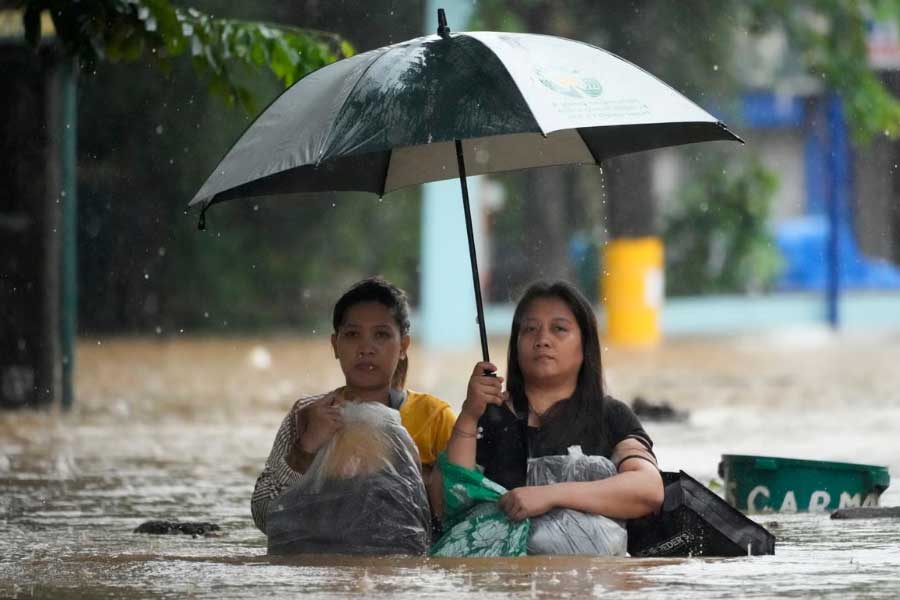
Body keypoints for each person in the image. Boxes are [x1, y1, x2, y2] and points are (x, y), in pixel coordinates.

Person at [444, 280, 663, 525]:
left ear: (585, 344)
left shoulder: (610, 415)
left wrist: (550, 495)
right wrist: (469, 414)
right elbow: (451, 502)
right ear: (515, 345)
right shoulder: (489, 416)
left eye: (559, 329)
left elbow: (649, 489)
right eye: (530, 329)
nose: (542, 340)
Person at [251, 277, 456, 534]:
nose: (366, 348)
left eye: (381, 335)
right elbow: (264, 517)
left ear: (403, 346)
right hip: (324, 567)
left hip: (402, 569)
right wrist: (305, 450)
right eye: (352, 335)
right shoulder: (307, 415)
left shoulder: (434, 417)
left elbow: (463, 514)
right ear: (335, 345)